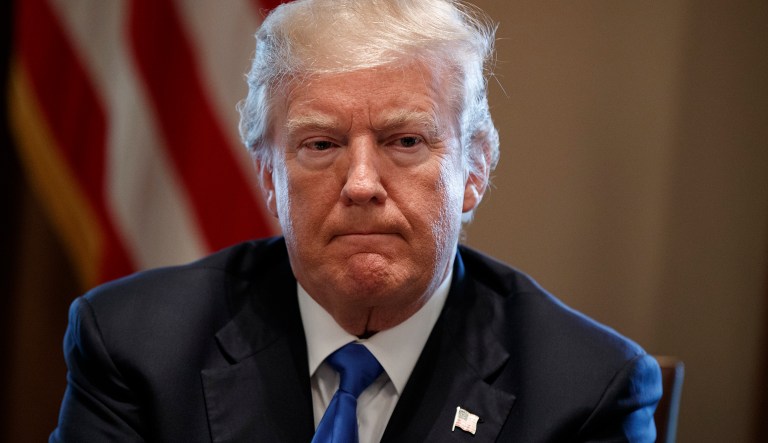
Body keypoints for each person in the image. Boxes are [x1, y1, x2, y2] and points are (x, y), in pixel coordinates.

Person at [50, 0, 662, 441]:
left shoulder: (586, 392)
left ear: (474, 170)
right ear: (268, 175)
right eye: (320, 145)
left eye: (405, 141)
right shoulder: (136, 345)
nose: (362, 183)